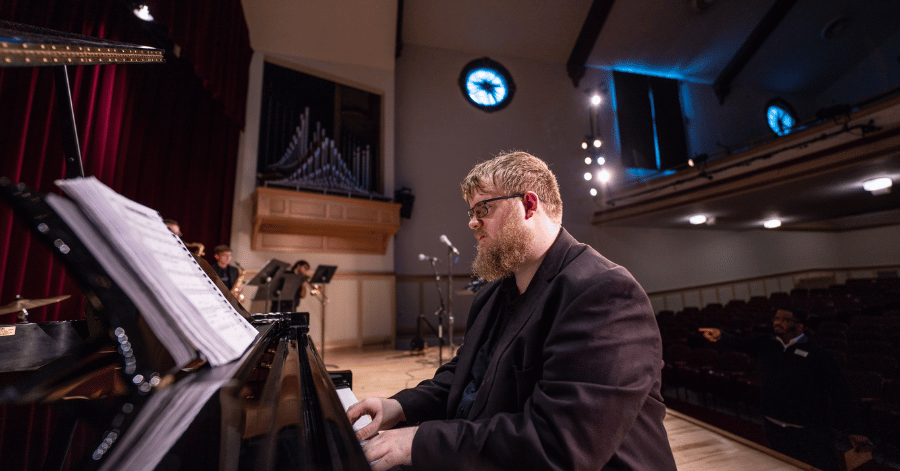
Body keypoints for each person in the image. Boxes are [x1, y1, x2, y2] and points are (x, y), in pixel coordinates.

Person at [346, 151, 676, 470]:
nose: (473, 222)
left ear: (529, 205)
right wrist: (399, 406)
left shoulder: (604, 293)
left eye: (484, 208)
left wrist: (418, 442)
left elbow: (558, 445)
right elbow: (463, 378)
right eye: (471, 211)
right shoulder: (493, 294)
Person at [699, 308, 869, 471]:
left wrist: (855, 430)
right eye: (776, 318)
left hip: (809, 430)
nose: (778, 322)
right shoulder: (766, 344)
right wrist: (721, 335)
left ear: (799, 326)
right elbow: (740, 343)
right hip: (775, 426)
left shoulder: (819, 355)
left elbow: (840, 393)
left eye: (784, 319)